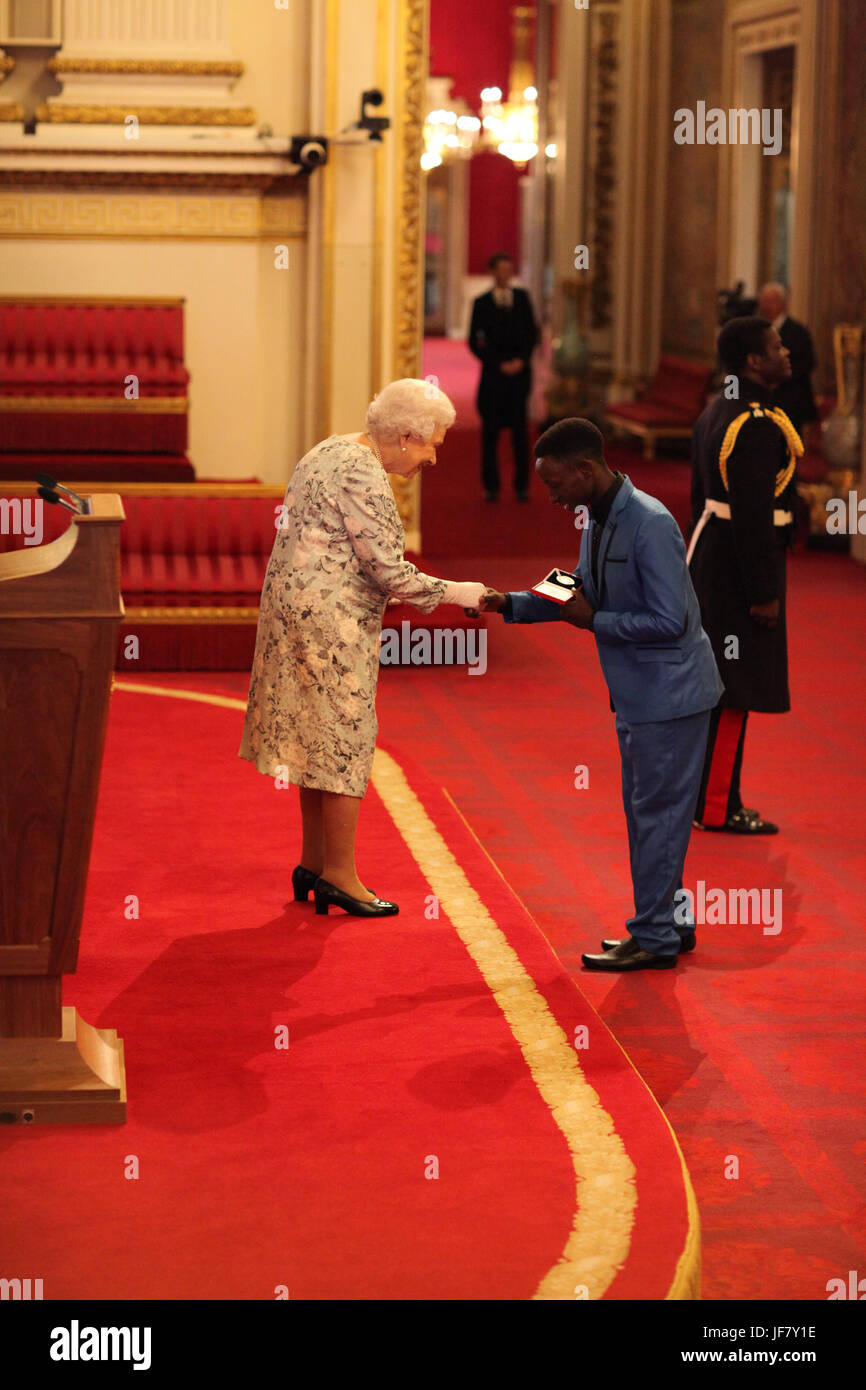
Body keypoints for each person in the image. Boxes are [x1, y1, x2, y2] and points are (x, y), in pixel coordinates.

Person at [479, 418, 724, 972]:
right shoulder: (598, 515)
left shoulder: (650, 523)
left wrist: (596, 621)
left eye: (555, 483)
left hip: (671, 697)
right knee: (652, 815)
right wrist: (510, 602)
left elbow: (671, 620)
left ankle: (655, 937)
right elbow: (576, 585)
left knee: (656, 816)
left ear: (586, 470)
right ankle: (671, 923)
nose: (551, 495)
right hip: (641, 694)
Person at [238, 379, 485, 917]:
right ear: (404, 436)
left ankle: (313, 864)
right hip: (329, 627)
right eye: (430, 445)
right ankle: (341, 877)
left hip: (293, 612)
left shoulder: (330, 448)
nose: (433, 458)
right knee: (345, 740)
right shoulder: (363, 472)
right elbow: (389, 571)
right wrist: (462, 593)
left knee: (313, 737)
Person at [688, 316, 801, 835]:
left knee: (722, 684)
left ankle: (709, 799)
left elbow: (702, 499)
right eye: (777, 347)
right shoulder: (754, 424)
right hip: (741, 568)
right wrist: (763, 592)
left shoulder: (720, 408)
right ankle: (717, 807)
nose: (786, 353)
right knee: (735, 689)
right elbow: (753, 516)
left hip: (714, 556)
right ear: (754, 361)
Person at [468, 252, 539, 502]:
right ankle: (491, 486)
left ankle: (522, 485)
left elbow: (532, 333)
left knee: (521, 435)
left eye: (509, 269)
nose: (505, 274)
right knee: (490, 434)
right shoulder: (481, 303)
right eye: (501, 269)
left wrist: (522, 360)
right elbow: (473, 341)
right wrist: (496, 363)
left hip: (520, 378)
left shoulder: (522, 298)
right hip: (493, 379)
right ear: (492, 272)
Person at [756, 282, 818, 436]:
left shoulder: (798, 331)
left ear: (783, 303)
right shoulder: (757, 331)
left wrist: (779, 377)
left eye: (772, 301)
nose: (768, 306)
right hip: (765, 401)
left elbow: (808, 363)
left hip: (791, 399)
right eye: (765, 301)